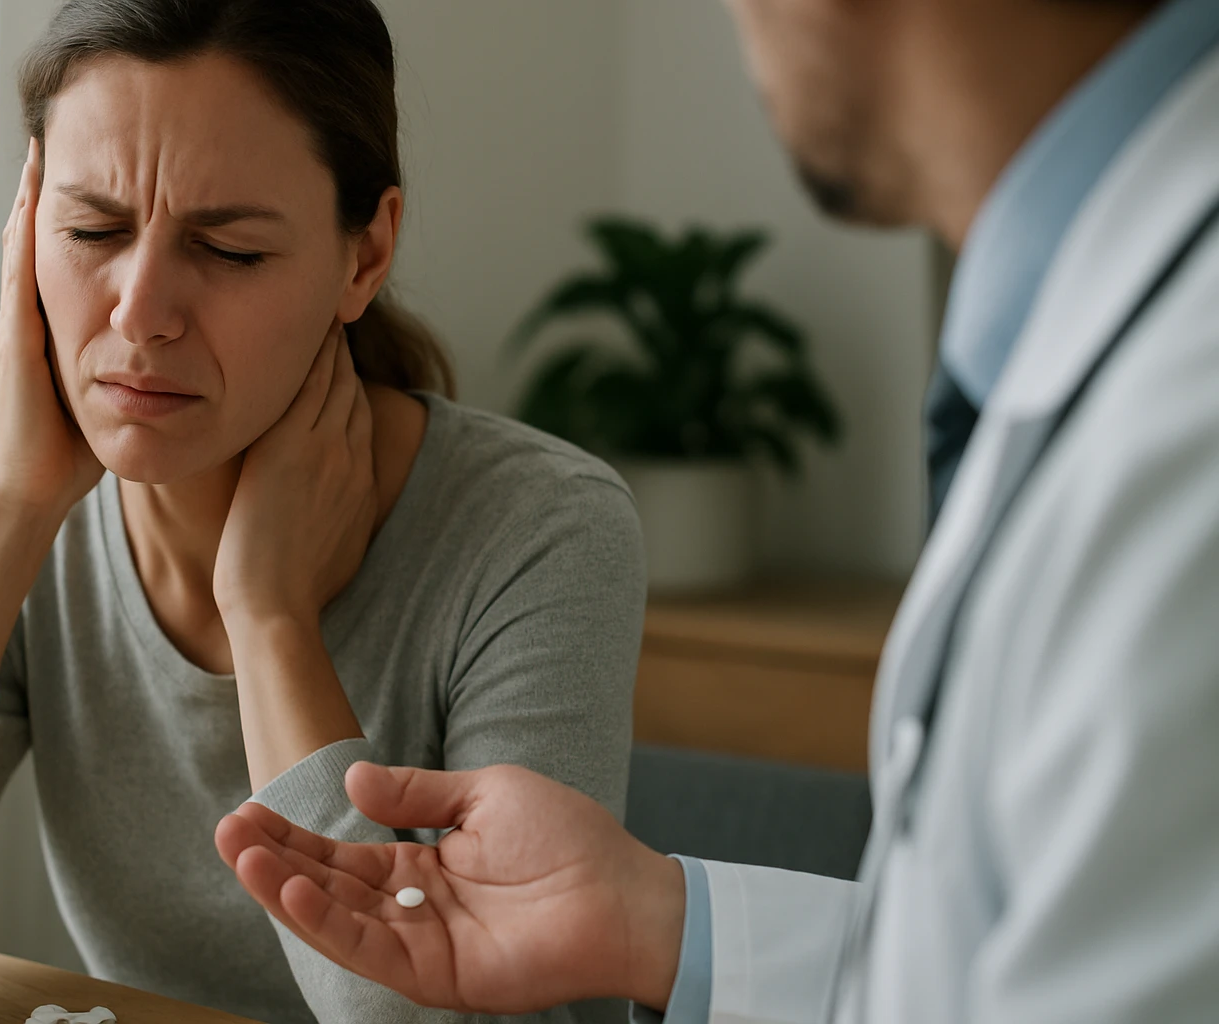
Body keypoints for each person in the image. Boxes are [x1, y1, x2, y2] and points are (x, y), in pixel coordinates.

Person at [215, 0, 1219, 1020]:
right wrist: (655, 915)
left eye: (229, 248)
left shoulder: (1186, 430)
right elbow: (988, 955)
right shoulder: (1103, 333)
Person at [0, 2, 647, 1023]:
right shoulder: (8, 513)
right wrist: (9, 508)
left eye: (226, 249)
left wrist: (268, 616)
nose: (138, 310)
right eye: (91, 229)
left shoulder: (540, 532)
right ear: (26, 226)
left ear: (365, 254)